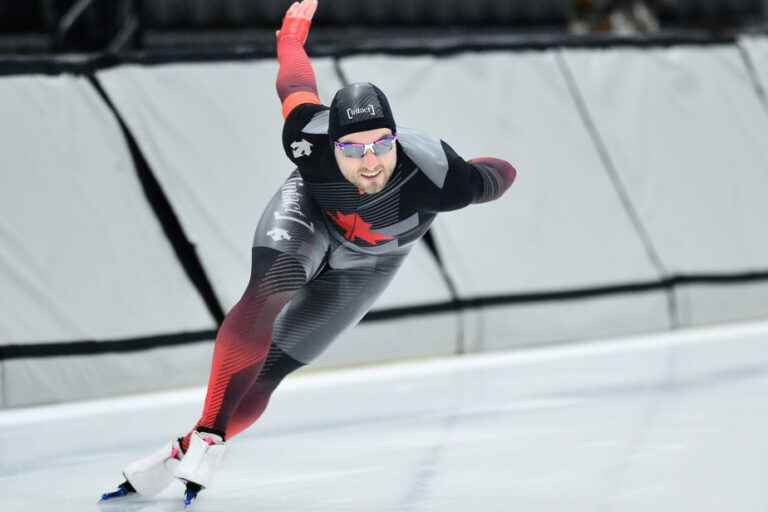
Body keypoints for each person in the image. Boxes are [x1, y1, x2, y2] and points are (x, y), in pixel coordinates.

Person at [100, 0, 516, 507]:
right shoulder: (306, 137)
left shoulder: (436, 174)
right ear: (329, 144)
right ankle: (209, 437)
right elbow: (294, 84)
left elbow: (497, 176)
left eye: (381, 146)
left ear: (396, 139)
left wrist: (486, 177)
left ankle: (185, 448)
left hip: (375, 259)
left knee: (272, 368)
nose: (369, 164)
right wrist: (290, 38)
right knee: (269, 289)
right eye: (352, 150)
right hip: (310, 217)